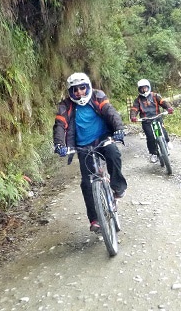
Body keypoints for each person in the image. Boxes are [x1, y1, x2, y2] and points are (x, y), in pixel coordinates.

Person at [52, 72, 127, 233]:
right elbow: (60, 125)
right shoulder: (66, 105)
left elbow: (110, 112)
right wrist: (59, 145)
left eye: (82, 88)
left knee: (113, 153)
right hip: (82, 146)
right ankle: (95, 219)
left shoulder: (97, 96)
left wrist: (119, 129)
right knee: (87, 183)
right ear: (70, 92)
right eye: (75, 90)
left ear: (88, 87)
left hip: (103, 137)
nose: (79, 92)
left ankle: (117, 187)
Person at [129, 79, 174, 163]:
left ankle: (167, 141)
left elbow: (163, 102)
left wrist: (169, 108)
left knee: (163, 131)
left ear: (148, 87)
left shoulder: (155, 95)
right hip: (146, 121)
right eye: (142, 88)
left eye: (145, 88)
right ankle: (153, 153)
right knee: (150, 137)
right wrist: (133, 117)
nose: (144, 90)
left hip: (157, 117)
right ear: (139, 89)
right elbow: (134, 109)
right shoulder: (137, 100)